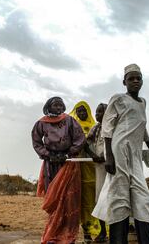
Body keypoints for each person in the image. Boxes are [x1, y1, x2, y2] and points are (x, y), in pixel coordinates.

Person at [92, 64, 149, 244]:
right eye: (131, 78)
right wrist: (109, 156)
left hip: (135, 153)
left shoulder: (143, 102)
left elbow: (141, 124)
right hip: (119, 149)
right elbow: (107, 127)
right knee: (119, 195)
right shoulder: (118, 99)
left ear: (142, 81)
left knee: (144, 197)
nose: (135, 81)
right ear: (124, 81)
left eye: (138, 78)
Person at [32, 96, 85, 244]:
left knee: (69, 200)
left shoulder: (70, 121)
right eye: (55, 105)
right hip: (51, 164)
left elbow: (80, 139)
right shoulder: (41, 123)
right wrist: (49, 155)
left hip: (68, 163)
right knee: (54, 199)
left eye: (61, 105)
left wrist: (68, 154)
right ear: (48, 107)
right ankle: (54, 234)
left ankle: (68, 236)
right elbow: (36, 142)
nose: (59, 107)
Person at [69, 101, 100, 242]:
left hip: (93, 168)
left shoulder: (95, 127)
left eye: (84, 111)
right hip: (77, 168)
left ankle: (99, 231)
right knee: (81, 201)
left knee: (94, 197)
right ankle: (86, 232)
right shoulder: (73, 127)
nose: (82, 114)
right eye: (79, 111)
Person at [85, 103, 108, 243]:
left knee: (114, 199)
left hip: (114, 168)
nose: (97, 114)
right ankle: (103, 232)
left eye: (101, 112)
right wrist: (94, 155)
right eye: (97, 112)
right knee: (100, 199)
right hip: (100, 167)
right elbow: (85, 144)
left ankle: (117, 232)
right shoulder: (95, 128)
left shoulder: (113, 127)